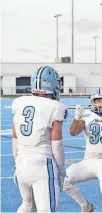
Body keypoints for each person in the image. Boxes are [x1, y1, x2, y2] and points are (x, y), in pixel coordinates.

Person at [12, 66, 68, 212]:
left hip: (22, 163)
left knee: (27, 205)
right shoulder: (55, 106)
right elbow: (57, 145)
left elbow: (15, 137)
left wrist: (17, 162)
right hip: (42, 164)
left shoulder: (19, 102)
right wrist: (62, 171)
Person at [63, 88, 102, 212]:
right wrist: (76, 119)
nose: (101, 104)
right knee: (64, 181)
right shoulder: (87, 115)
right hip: (89, 160)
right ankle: (85, 205)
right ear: (93, 102)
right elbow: (73, 132)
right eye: (98, 101)